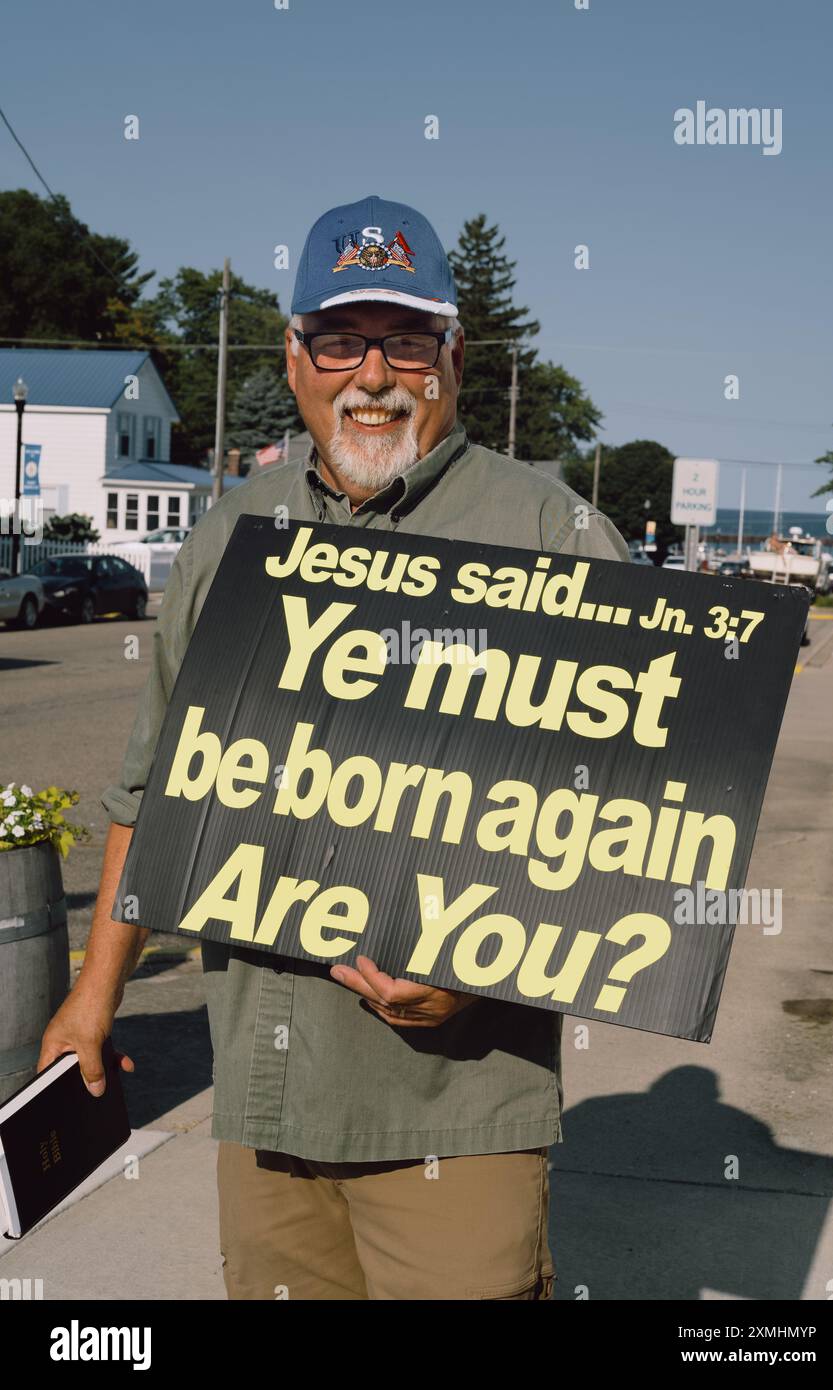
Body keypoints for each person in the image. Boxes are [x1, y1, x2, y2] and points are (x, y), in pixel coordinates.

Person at [39, 195, 629, 1300]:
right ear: (295, 354)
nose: (373, 374)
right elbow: (152, 791)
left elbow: (624, 821)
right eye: (340, 339)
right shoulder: (231, 534)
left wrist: (475, 966)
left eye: (405, 341)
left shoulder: (548, 534)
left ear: (450, 355)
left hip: (455, 1112)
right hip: (266, 1097)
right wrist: (92, 996)